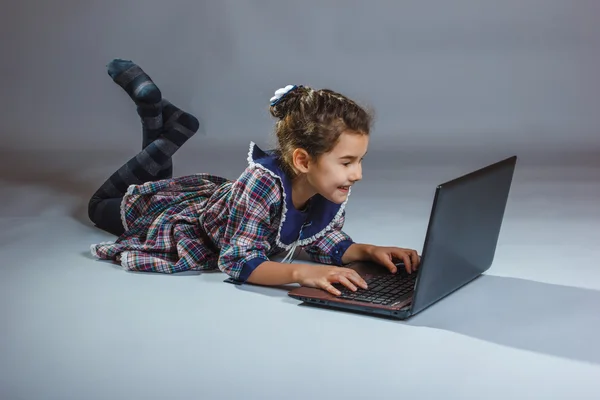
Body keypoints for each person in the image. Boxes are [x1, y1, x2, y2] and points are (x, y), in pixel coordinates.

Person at [88, 59, 420, 296]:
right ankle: (170, 129)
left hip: (212, 202)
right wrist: (304, 273)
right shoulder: (262, 183)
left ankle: (160, 120)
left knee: (153, 180)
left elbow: (319, 239)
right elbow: (238, 261)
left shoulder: (326, 187)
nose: (357, 174)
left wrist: (369, 251)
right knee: (98, 205)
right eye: (347, 162)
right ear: (303, 160)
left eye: (360, 161)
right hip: (174, 221)